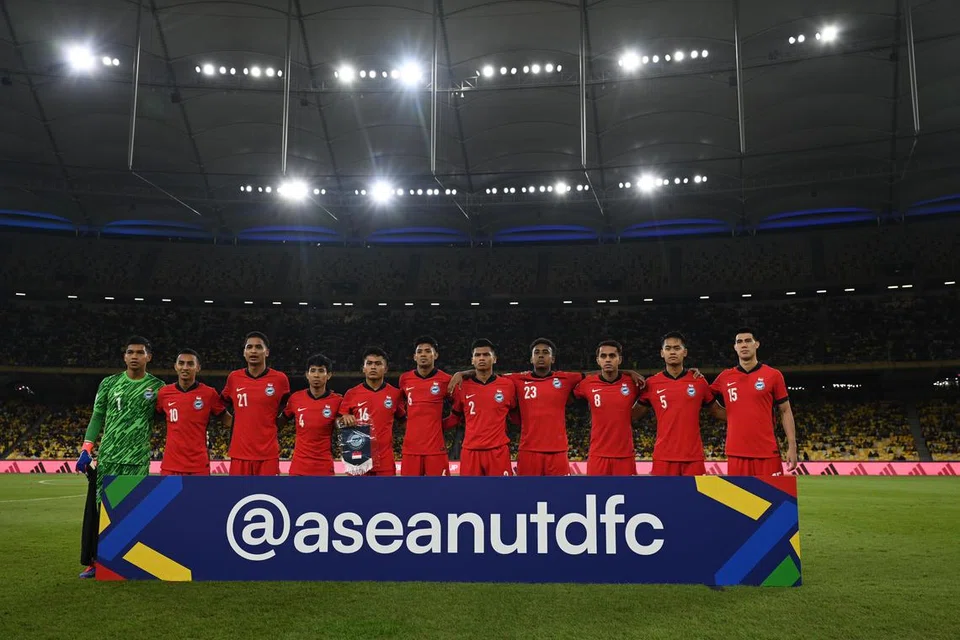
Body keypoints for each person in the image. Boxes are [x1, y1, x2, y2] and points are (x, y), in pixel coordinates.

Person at [75, 336, 164, 579]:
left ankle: (132, 561)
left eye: (140, 352)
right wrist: (86, 448)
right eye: (130, 352)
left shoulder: (158, 387)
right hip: (109, 457)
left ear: (149, 357)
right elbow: (97, 417)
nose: (134, 356)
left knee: (134, 509)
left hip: (137, 458)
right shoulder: (109, 383)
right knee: (102, 510)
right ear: (124, 356)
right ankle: (96, 562)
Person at [710, 328, 798, 476]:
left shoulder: (773, 375)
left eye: (748, 341)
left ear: (756, 344)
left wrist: (792, 445)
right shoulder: (725, 377)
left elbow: (785, 411)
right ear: (735, 347)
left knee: (773, 499)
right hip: (736, 452)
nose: (744, 345)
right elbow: (703, 398)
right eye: (739, 342)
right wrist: (732, 415)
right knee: (738, 499)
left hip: (767, 452)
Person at [635, 332, 725, 476]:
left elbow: (716, 410)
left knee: (693, 499)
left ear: (685, 352)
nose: (672, 352)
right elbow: (633, 414)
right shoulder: (651, 384)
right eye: (668, 348)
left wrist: (748, 417)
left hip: (693, 457)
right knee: (663, 499)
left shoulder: (699, 381)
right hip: (663, 457)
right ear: (662, 353)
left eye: (677, 348)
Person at [444, 339, 518, 476]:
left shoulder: (508, 385)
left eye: (486, 355)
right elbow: (455, 417)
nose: (481, 358)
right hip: (470, 452)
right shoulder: (462, 386)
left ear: (494, 359)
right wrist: (434, 426)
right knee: (471, 496)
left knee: (501, 495)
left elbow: (515, 414)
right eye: (477, 355)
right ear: (472, 360)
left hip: (498, 452)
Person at [220, 332, 290, 476]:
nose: (253, 350)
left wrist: (272, 426)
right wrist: (233, 423)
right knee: (237, 497)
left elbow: (288, 409)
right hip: (239, 454)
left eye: (258, 347)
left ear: (267, 352)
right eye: (249, 347)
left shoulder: (280, 379)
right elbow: (218, 405)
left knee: (268, 496)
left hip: (268, 455)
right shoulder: (234, 378)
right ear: (244, 353)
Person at [573, 340, 641, 476]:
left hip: (625, 456)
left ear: (619, 359)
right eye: (603, 356)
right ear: (598, 360)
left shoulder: (633, 383)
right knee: (595, 494)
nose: (608, 359)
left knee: (628, 495)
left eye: (612, 356)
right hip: (597, 455)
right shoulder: (587, 384)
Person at [156, 349, 227, 476]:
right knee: (167, 496)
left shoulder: (209, 394)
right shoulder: (164, 393)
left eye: (190, 364)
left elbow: (226, 418)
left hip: (198, 466)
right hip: (171, 465)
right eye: (181, 363)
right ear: (175, 366)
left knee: (200, 497)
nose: (185, 367)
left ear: (198, 367)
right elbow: (152, 417)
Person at [337, 347, 405, 476]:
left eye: (378, 364)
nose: (373, 367)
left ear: (385, 369)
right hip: (357, 458)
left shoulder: (395, 394)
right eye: (369, 363)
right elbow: (338, 422)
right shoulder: (351, 393)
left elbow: (404, 421)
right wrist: (344, 418)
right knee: (356, 496)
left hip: (385, 461)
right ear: (363, 368)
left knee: (385, 496)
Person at [398, 336, 454, 476]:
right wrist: (407, 422)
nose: (423, 354)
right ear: (414, 356)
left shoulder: (446, 380)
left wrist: (441, 425)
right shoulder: (405, 379)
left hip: (436, 449)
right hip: (410, 449)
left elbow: (459, 408)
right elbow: (398, 405)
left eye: (428, 351)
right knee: (409, 493)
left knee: (440, 494)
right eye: (420, 351)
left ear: (435, 355)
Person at [282, 354, 342, 476]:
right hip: (298, 468)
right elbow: (278, 423)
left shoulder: (338, 401)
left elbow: (344, 425)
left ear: (329, 375)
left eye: (321, 371)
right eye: (313, 370)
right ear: (307, 375)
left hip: (324, 468)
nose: (316, 375)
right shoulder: (296, 398)